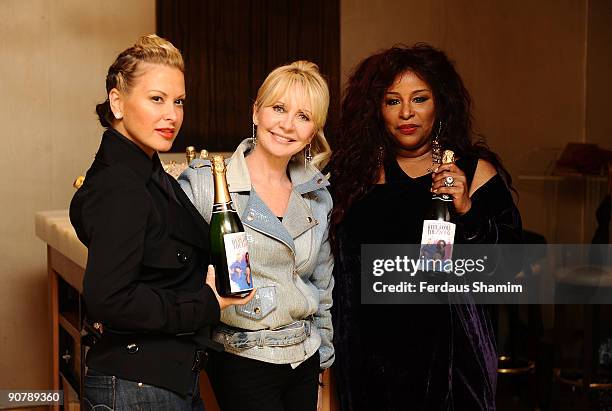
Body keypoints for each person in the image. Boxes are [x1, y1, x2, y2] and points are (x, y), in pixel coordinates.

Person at [327, 44, 523, 410]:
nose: (406, 113)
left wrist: (467, 209)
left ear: (440, 103)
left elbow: (512, 267)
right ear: (376, 109)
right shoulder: (352, 177)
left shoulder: (474, 172)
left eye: (419, 99)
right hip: (367, 363)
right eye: (392, 101)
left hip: (449, 365)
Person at [70, 34, 250, 410]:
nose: (172, 115)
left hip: (161, 382)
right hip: (138, 388)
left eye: (179, 101)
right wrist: (207, 303)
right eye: (157, 99)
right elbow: (109, 300)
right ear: (117, 102)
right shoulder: (122, 184)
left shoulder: (149, 172)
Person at [179, 60, 334, 411]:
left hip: (304, 357)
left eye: (303, 116)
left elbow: (322, 286)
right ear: (256, 111)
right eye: (278, 108)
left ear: (313, 132)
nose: (286, 125)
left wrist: (323, 360)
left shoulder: (317, 194)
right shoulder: (207, 186)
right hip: (240, 356)